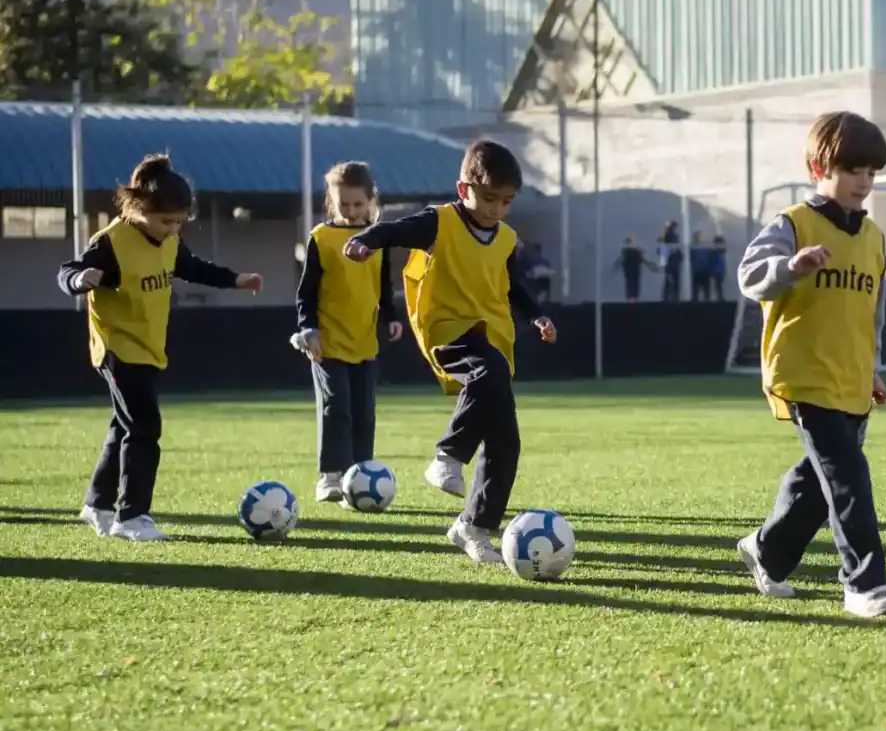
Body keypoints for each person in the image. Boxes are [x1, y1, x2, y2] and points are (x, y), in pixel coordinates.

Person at [343, 139, 556, 563]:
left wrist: (536, 316)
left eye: (507, 201)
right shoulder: (440, 222)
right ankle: (447, 455)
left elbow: (512, 285)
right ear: (464, 190)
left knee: (506, 443)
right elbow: (395, 230)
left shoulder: (506, 238)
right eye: (489, 198)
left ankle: (472, 527)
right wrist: (367, 240)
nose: (497, 209)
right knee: (487, 369)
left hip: (492, 336)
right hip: (448, 331)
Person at [735, 111, 886, 618]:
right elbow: (750, 276)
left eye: (871, 172)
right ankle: (863, 583)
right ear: (817, 168)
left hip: (851, 379)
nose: (864, 182)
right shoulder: (793, 225)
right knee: (849, 476)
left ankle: (765, 550)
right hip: (803, 375)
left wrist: (871, 367)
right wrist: (791, 266)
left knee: (818, 480)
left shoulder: (873, 238)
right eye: (853, 170)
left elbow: (871, 312)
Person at [57, 153, 263, 541]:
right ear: (137, 208)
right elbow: (66, 271)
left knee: (124, 427)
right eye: (166, 221)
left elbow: (193, 267)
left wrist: (237, 279)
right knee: (146, 426)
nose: (173, 229)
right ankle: (131, 516)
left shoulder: (169, 241)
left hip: (149, 348)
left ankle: (97, 504)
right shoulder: (112, 243)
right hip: (117, 349)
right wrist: (79, 279)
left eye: (179, 222)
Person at [291, 161, 404, 504]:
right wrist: (307, 328)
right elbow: (305, 292)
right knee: (336, 406)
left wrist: (391, 316)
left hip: (365, 341)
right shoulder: (321, 239)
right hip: (327, 342)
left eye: (358, 204)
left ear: (371, 201)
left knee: (363, 411)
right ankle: (330, 476)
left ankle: (360, 475)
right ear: (332, 201)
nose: (352, 211)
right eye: (344, 204)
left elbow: (382, 285)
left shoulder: (377, 240)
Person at [614, 235, 656, 302]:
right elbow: (643, 260)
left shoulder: (626, 251)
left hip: (629, 271)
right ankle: (634, 298)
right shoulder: (637, 251)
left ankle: (631, 298)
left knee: (630, 285)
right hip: (635, 271)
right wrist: (651, 266)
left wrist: (616, 264)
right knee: (635, 285)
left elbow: (621, 260)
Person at [689, 230, 714, 301]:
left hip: (703, 271)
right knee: (697, 292)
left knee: (705, 292)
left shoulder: (703, 248)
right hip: (698, 271)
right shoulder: (697, 248)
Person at [709, 235, 728, 300]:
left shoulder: (718, 252)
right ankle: (719, 297)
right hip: (718, 271)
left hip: (719, 271)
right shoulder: (717, 252)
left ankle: (719, 297)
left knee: (718, 285)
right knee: (718, 285)